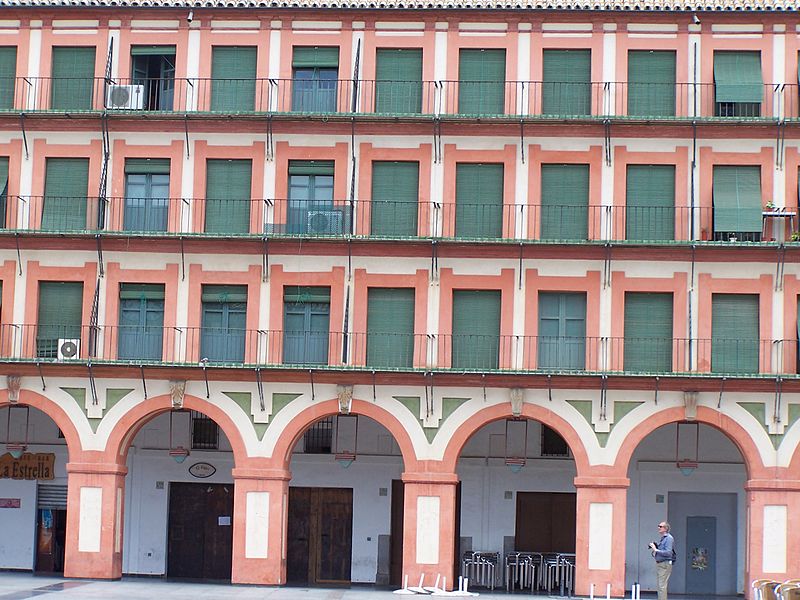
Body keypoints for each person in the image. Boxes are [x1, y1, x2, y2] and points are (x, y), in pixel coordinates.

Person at [649, 521, 674, 600]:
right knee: (660, 585)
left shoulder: (669, 538)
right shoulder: (663, 538)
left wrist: (656, 550)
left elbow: (668, 553)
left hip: (665, 564)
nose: (658, 528)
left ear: (666, 528)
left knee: (662, 585)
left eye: (660, 526)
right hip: (661, 564)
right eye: (658, 526)